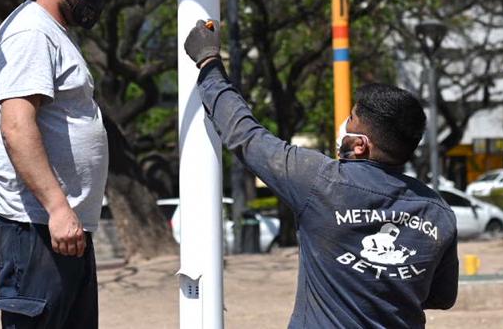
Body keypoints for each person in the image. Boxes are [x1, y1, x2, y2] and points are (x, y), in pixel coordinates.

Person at [184, 20, 458, 328]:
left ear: (359, 145)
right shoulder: (438, 213)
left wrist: (207, 62)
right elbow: (443, 297)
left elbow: (245, 134)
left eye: (351, 118)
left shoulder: (321, 183)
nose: (344, 123)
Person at [0, 0, 114, 329]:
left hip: (59, 227)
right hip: (35, 225)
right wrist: (57, 208)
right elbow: (16, 126)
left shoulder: (52, 34)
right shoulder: (31, 32)